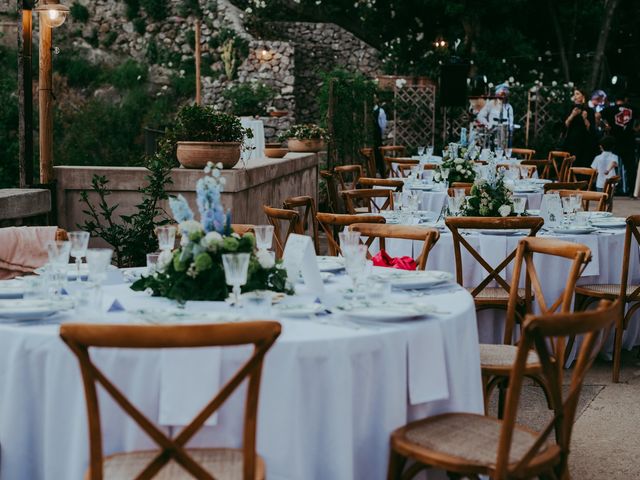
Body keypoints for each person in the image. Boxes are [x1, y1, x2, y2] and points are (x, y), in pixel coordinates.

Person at [601, 92, 637, 196]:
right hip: (629, 140)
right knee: (630, 166)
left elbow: (598, 115)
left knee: (613, 166)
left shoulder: (610, 109)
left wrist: (606, 126)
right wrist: (636, 128)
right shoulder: (632, 108)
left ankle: (614, 189)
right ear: (625, 99)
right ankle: (631, 190)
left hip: (614, 141)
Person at [562, 88, 598, 168]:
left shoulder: (590, 111)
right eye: (574, 94)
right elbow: (565, 125)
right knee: (571, 164)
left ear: (583, 96)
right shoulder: (571, 108)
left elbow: (591, 129)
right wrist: (572, 115)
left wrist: (585, 118)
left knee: (581, 164)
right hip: (571, 141)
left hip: (584, 142)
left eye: (577, 94)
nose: (575, 97)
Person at [372, 94, 387, 177]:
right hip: (369, 138)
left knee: (378, 155)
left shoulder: (380, 111)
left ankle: (382, 174)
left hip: (377, 137)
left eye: (374, 98)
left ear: (376, 99)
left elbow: (383, 126)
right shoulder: (367, 110)